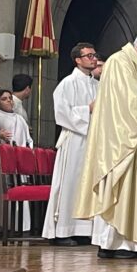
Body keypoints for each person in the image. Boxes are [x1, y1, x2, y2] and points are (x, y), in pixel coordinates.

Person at [75, 27, 137, 260]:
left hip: (131, 141)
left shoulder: (135, 68)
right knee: (120, 188)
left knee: (129, 189)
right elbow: (133, 104)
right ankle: (115, 244)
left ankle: (124, 243)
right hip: (120, 143)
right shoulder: (119, 63)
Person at [42, 43, 100, 246]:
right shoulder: (68, 83)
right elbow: (61, 114)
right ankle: (62, 231)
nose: (94, 58)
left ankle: (82, 230)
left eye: (94, 55)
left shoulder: (97, 85)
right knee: (70, 185)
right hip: (74, 140)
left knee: (86, 185)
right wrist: (87, 109)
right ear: (77, 60)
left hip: (92, 140)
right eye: (89, 55)